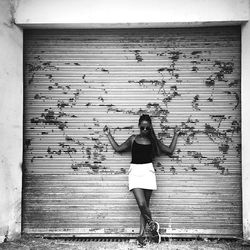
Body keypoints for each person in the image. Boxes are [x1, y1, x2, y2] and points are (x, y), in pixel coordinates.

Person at [103, 114, 180, 247]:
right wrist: (108, 134)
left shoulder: (154, 141)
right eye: (142, 127)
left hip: (148, 173)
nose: (144, 129)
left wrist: (175, 135)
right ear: (139, 126)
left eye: (147, 127)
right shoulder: (133, 139)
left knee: (144, 208)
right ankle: (152, 225)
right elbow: (118, 148)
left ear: (150, 127)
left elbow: (170, 151)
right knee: (142, 204)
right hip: (135, 173)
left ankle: (141, 236)